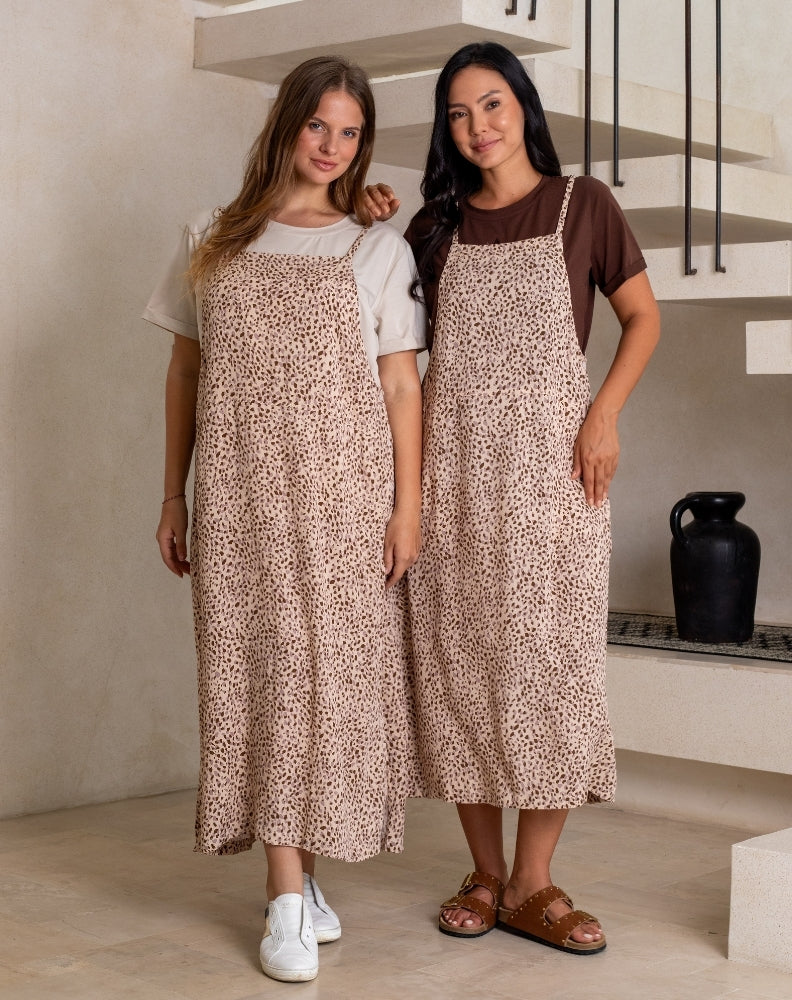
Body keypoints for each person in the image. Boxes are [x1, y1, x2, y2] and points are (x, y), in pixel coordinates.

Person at [367, 41, 659, 955]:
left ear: (522, 107)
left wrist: (602, 416)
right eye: (457, 114)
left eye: (490, 105)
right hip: (452, 482)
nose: (476, 126)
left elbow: (645, 316)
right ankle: (485, 874)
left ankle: (535, 883)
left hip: (554, 479)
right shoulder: (433, 228)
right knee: (460, 669)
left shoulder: (585, 206)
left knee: (552, 670)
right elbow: (387, 344)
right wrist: (365, 214)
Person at [144, 56, 425, 983]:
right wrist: (173, 491)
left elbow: (398, 384)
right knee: (252, 676)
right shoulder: (210, 236)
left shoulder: (379, 248)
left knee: (323, 686)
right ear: (286, 125)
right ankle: (285, 891)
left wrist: (407, 504)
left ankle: (296, 881)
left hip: (343, 503)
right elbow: (187, 368)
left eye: (349, 133)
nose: (332, 147)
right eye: (319, 127)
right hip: (235, 497)